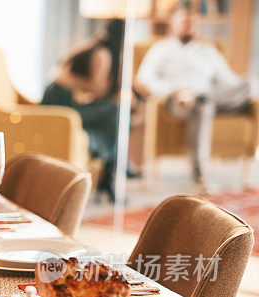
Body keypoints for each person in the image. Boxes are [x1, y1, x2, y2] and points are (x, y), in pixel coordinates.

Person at [136, 3, 253, 192]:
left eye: (193, 23)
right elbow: (143, 79)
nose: (189, 26)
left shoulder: (208, 51)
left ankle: (199, 96)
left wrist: (246, 86)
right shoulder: (161, 49)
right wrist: (173, 91)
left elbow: (230, 81)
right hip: (178, 102)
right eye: (184, 22)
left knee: (246, 86)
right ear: (172, 24)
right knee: (203, 106)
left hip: (213, 99)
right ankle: (200, 174)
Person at [42, 20, 124, 202]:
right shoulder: (103, 54)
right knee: (116, 110)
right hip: (61, 107)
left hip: (58, 101)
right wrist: (118, 94)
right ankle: (108, 167)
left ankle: (106, 161)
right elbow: (97, 89)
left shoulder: (90, 46)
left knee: (114, 113)